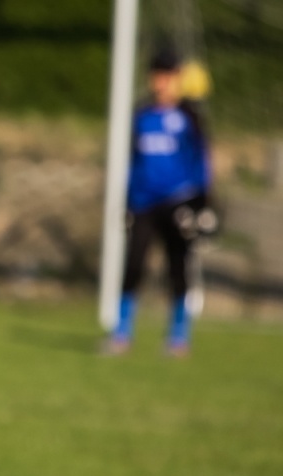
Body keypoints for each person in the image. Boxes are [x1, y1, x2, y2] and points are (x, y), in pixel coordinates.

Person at [106, 47, 214, 359]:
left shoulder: (189, 117)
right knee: (134, 263)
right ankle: (122, 332)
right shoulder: (141, 116)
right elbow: (131, 160)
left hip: (178, 200)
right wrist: (127, 199)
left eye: (168, 76)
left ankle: (179, 335)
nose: (162, 83)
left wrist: (202, 202)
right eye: (158, 76)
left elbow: (202, 161)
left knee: (178, 266)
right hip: (143, 202)